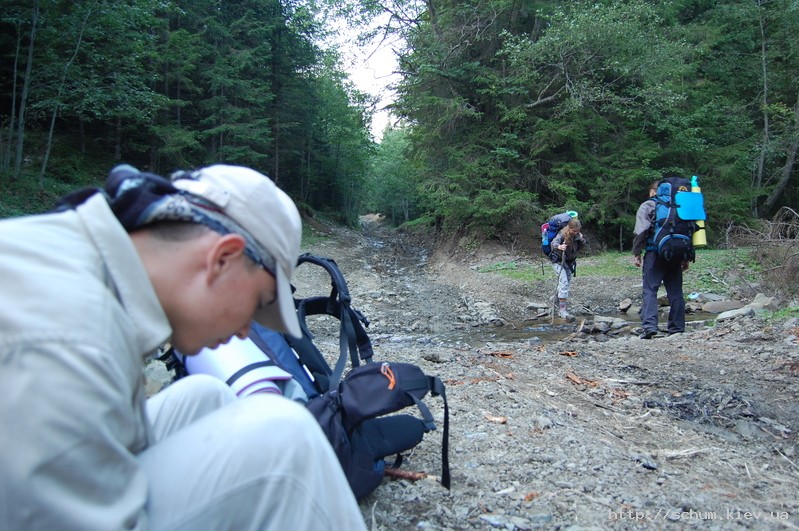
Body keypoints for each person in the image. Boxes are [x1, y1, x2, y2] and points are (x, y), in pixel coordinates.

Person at [0, 164, 367, 530]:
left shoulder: (86, 263)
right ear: (222, 259)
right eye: (258, 304)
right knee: (288, 436)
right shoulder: (66, 340)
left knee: (206, 395)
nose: (245, 331)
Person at [632, 180, 689, 339]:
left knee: (650, 290)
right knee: (676, 292)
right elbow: (688, 231)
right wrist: (685, 257)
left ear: (653, 191)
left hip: (654, 253)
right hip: (676, 255)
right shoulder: (678, 206)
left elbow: (641, 230)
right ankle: (677, 328)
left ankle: (650, 327)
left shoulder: (648, 205)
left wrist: (637, 252)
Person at [549, 218, 586, 318]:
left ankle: (555, 300)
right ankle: (562, 310)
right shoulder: (562, 234)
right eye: (574, 231)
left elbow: (582, 246)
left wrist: (581, 239)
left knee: (566, 283)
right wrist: (559, 247)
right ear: (569, 228)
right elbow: (553, 243)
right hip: (558, 262)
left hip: (569, 263)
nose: (576, 233)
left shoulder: (577, 235)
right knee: (564, 283)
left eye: (578, 231)